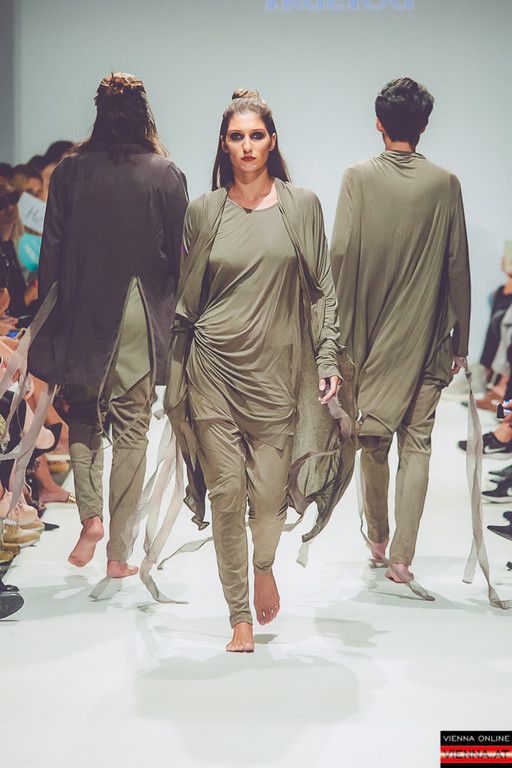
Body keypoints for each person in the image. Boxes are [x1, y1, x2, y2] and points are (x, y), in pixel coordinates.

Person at [165, 89, 343, 653]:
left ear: (272, 141)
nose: (247, 146)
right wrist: (175, 373)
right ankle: (238, 615)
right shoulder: (204, 211)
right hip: (212, 368)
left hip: (275, 374)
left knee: (267, 500)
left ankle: (264, 564)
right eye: (237, 137)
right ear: (224, 144)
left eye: (256, 135)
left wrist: (327, 355)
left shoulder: (302, 206)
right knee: (226, 495)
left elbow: (323, 289)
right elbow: (188, 300)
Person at [28, 72, 188, 579]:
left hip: (83, 307)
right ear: (145, 114)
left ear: (98, 113)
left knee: (83, 415)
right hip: (139, 309)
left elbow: (51, 254)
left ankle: (91, 518)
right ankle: (119, 554)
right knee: (134, 428)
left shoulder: (70, 172)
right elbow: (180, 259)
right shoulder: (165, 174)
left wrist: (49, 323)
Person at [331, 77, 471, 584]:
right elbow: (457, 265)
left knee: (373, 440)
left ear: (378, 123)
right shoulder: (445, 183)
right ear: (424, 125)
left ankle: (378, 537)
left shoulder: (357, 177)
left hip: (369, 338)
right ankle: (402, 557)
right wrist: (461, 341)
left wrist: (335, 336)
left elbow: (340, 255)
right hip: (428, 335)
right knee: (418, 444)